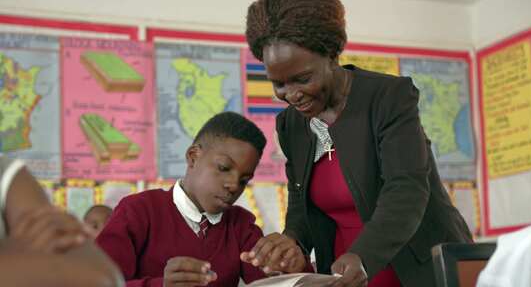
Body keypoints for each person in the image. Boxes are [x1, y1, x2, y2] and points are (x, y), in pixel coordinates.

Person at [243, 0, 473, 286]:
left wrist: (363, 257)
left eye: (303, 79)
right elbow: (301, 202)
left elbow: (406, 189)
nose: (292, 95)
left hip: (416, 269)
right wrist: (292, 241)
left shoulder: (388, 98)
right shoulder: (292, 125)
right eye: (280, 84)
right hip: (342, 273)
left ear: (331, 54)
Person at [97, 112, 308, 287]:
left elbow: (273, 282)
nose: (234, 185)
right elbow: (97, 282)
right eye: (224, 168)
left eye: (244, 180)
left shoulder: (241, 226)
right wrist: (160, 285)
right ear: (193, 156)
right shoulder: (138, 211)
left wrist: (294, 268)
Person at [0, 156, 123, 287]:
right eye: (94, 225)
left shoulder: (9, 174)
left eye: (108, 223)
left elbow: (101, 278)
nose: (103, 229)